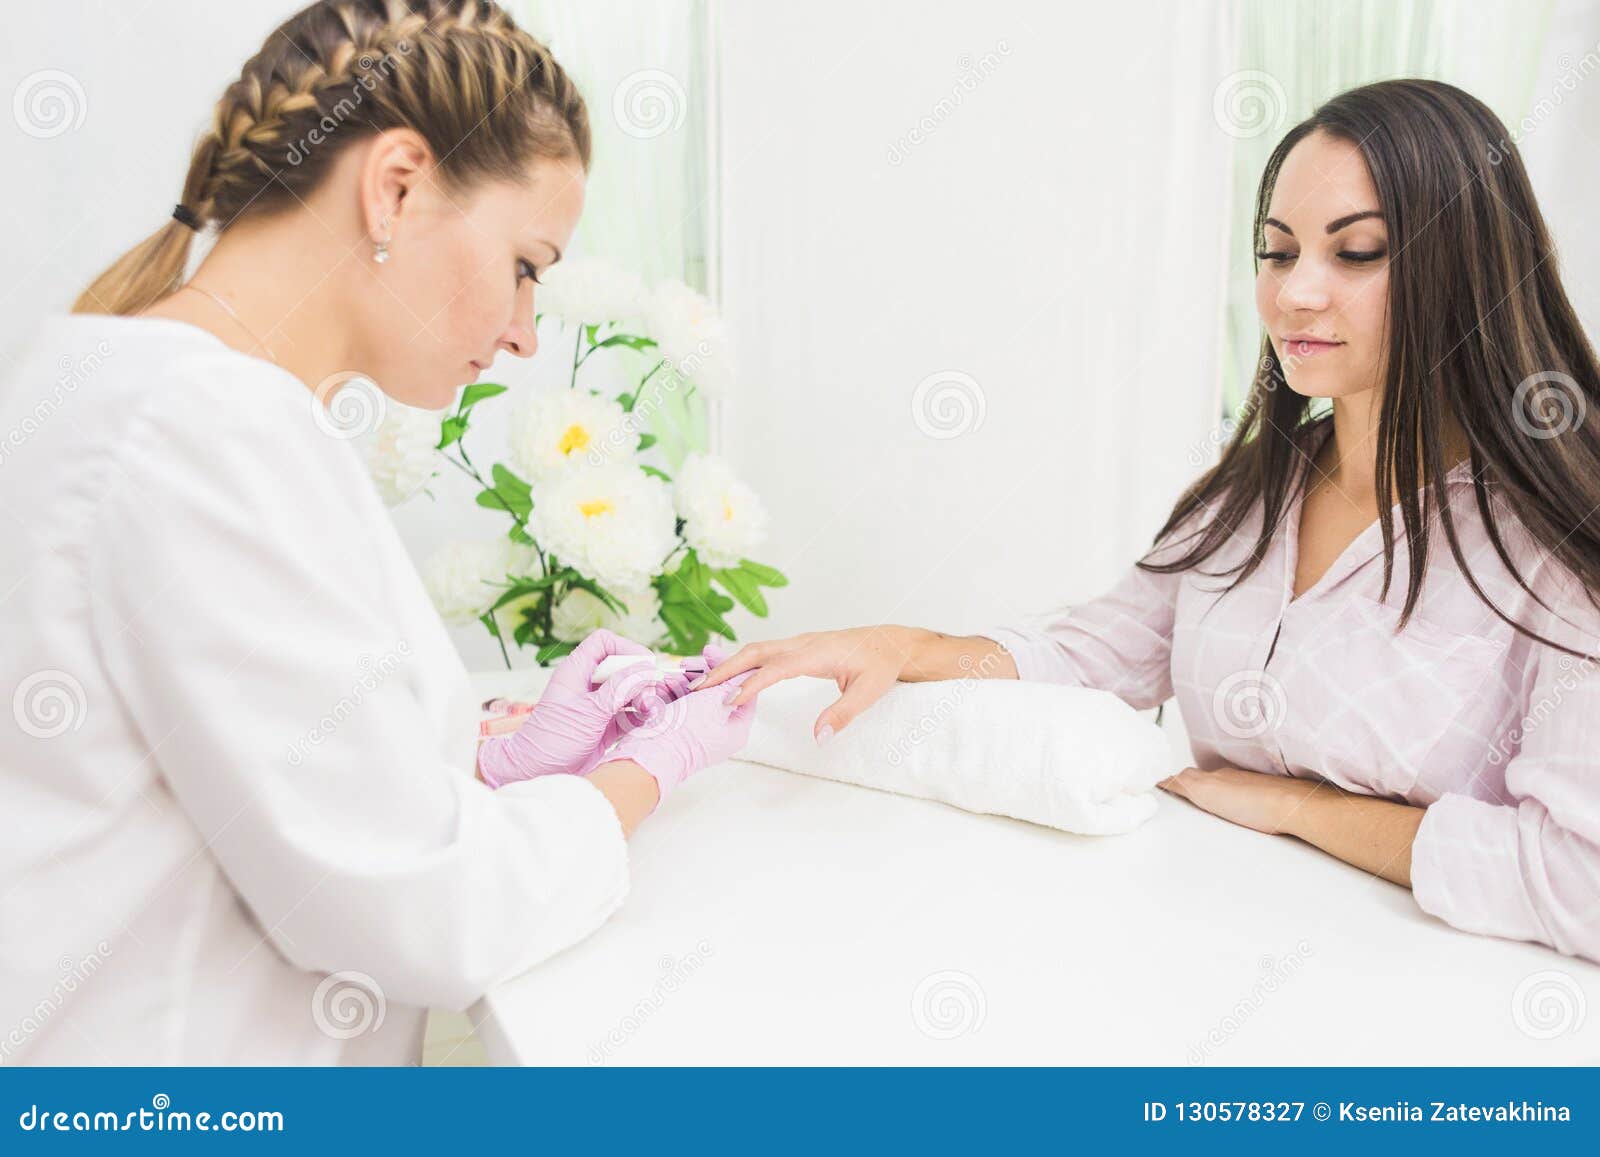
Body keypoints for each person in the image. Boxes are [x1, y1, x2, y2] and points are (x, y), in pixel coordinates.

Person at [0, 0, 752, 1065]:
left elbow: (255, 776)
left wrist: (486, 761)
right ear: (395, 186)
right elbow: (423, 912)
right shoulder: (206, 433)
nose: (525, 332)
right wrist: (639, 773)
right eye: (527, 264)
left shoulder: (114, 381)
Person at [698, 80, 1600, 965]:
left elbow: (1579, 880)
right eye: (1278, 252)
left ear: (1470, 265)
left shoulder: (1557, 537)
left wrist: (1296, 807)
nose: (1295, 293)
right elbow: (1091, 658)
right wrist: (905, 645)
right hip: (1198, 950)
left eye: (1355, 252)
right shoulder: (1249, 495)